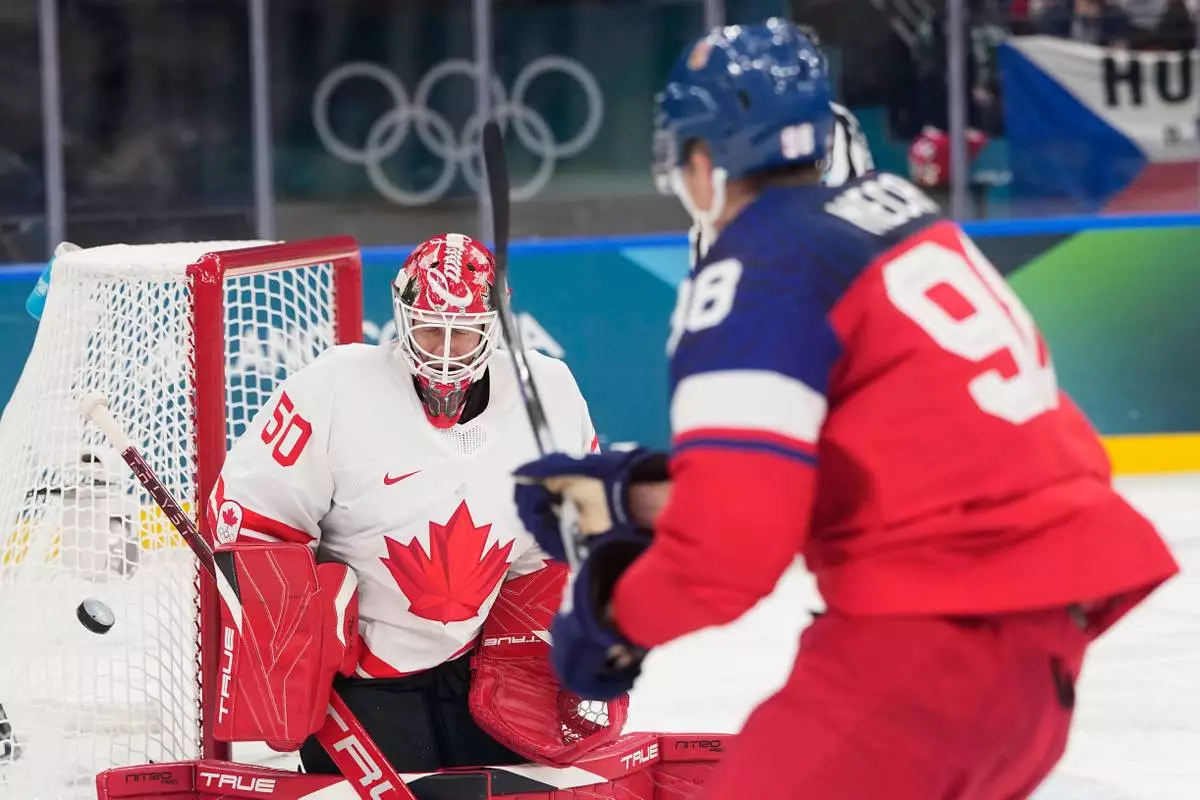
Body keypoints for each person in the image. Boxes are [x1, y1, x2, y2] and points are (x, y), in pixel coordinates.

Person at [512, 19, 1179, 800]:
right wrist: (642, 495)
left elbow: (731, 552)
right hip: (1030, 659)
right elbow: (880, 460)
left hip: (928, 651)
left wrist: (612, 620)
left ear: (703, 159)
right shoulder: (900, 214)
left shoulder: (758, 266)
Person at [208, 232, 624, 776]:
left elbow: (574, 531)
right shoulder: (336, 388)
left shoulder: (550, 394)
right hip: (357, 678)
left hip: (482, 667)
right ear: (401, 317)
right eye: (430, 330)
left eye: (464, 334)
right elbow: (245, 516)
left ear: (494, 328)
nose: (445, 354)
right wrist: (305, 627)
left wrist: (536, 638)